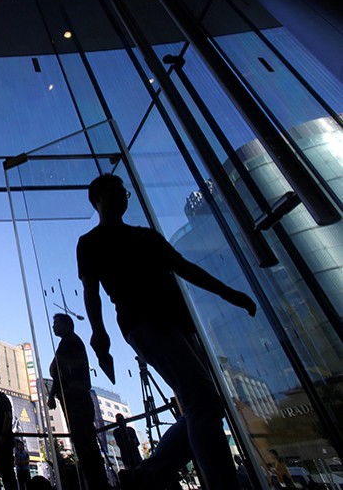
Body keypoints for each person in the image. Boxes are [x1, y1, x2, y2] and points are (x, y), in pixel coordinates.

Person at [78, 173, 257, 490]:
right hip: (145, 323)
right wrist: (98, 333)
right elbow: (91, 292)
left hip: (175, 323)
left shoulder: (146, 236)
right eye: (116, 190)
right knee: (203, 402)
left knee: (201, 404)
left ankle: (146, 476)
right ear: (98, 196)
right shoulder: (91, 242)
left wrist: (227, 292)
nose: (122, 196)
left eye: (124, 192)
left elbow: (184, 266)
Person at [46, 313, 108, 490]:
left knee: (85, 445)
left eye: (56, 323)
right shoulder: (69, 343)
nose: (54, 327)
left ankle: (98, 484)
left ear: (67, 325)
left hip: (76, 400)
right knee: (85, 444)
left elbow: (55, 369)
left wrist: (51, 395)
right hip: (74, 399)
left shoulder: (69, 343)